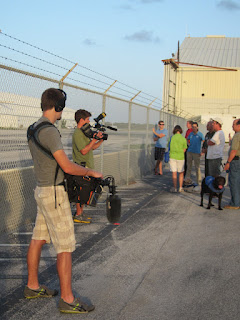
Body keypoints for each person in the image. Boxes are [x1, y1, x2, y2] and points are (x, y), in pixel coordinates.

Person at [26, 88, 103, 313]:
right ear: (58, 107)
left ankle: (32, 286)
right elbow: (67, 166)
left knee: (38, 238)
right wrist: (91, 172)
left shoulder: (33, 128)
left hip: (41, 189)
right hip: (54, 194)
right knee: (66, 246)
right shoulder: (49, 131)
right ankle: (68, 299)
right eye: (62, 106)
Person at [72, 109, 104, 223]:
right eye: (87, 119)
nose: (89, 122)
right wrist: (94, 139)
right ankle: (78, 214)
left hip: (88, 166)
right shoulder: (77, 133)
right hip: (81, 166)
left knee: (86, 191)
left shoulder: (85, 132)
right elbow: (84, 151)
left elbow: (92, 147)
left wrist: (100, 140)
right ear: (81, 120)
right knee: (80, 191)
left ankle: (81, 213)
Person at [224, 119, 240, 209]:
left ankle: (235, 203)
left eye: (234, 124)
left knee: (234, 182)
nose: (232, 126)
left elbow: (234, 151)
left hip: (236, 161)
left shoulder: (237, 136)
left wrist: (228, 162)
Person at [169, 125, 187, 193]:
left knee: (174, 173)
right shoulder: (183, 138)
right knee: (181, 173)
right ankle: (180, 187)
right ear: (180, 130)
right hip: (180, 157)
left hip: (172, 157)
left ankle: (174, 188)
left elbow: (169, 146)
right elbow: (184, 149)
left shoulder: (171, 138)